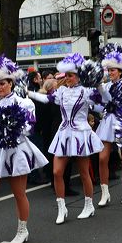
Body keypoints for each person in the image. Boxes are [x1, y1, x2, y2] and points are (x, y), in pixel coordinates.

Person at [0, 56, 48, 243]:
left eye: (3, 83)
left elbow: (29, 128)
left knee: (18, 193)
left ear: (11, 83)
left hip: (17, 150)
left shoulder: (24, 103)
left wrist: (11, 126)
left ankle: (23, 229)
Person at [28, 53, 109, 224]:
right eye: (67, 75)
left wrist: (99, 85)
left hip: (80, 134)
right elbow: (47, 99)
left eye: (71, 75)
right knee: (57, 171)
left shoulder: (86, 91)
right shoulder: (62, 91)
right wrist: (29, 93)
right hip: (64, 133)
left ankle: (89, 204)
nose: (68, 78)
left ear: (79, 76)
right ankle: (62, 207)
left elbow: (105, 102)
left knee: (84, 172)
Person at [95, 46, 122, 206]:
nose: (110, 72)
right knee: (102, 157)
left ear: (120, 71)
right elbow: (103, 105)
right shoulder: (105, 86)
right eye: (109, 70)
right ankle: (105, 192)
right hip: (107, 123)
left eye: (113, 70)